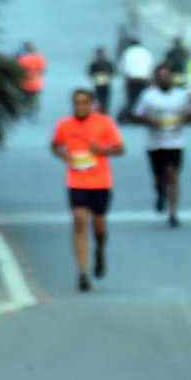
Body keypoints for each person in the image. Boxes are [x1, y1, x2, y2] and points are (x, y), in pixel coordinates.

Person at [50, 89, 125, 291]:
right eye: (76, 103)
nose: (80, 107)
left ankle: (100, 248)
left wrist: (101, 150)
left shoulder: (104, 123)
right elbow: (55, 145)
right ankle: (82, 272)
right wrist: (65, 157)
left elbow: (120, 148)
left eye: (84, 103)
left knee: (98, 226)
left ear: (92, 104)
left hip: (100, 182)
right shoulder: (64, 125)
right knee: (80, 221)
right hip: (76, 181)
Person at [133, 65, 191, 228]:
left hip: (175, 141)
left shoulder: (180, 96)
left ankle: (173, 213)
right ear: (156, 79)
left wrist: (182, 119)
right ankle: (160, 193)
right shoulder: (148, 96)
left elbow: (190, 112)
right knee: (160, 177)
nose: (164, 79)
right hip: (155, 143)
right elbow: (137, 115)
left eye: (167, 76)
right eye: (161, 76)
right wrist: (151, 122)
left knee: (173, 175)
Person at [119, 38, 153, 123]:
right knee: (141, 99)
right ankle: (139, 116)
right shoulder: (146, 53)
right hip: (144, 79)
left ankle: (129, 116)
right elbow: (151, 66)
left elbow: (123, 67)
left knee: (131, 98)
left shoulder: (128, 52)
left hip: (132, 79)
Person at [16, 42, 46, 117]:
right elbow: (43, 70)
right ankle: (32, 112)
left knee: (24, 99)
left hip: (24, 85)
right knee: (34, 100)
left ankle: (23, 111)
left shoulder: (22, 59)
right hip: (37, 85)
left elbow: (17, 71)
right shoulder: (40, 58)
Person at [88, 47, 115, 114]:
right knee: (98, 101)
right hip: (98, 85)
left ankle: (104, 113)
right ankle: (100, 113)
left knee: (105, 102)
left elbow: (112, 72)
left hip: (105, 85)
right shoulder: (95, 64)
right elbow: (90, 74)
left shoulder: (107, 64)